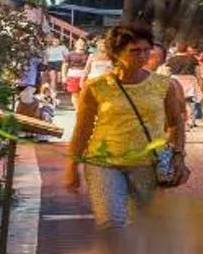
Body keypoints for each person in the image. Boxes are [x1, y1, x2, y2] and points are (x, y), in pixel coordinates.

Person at [66, 25, 185, 238]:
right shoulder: (96, 86)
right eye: (135, 51)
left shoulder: (163, 85)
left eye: (146, 50)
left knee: (145, 224)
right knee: (111, 222)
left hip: (147, 164)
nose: (143, 56)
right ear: (116, 53)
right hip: (103, 163)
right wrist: (72, 165)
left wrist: (178, 155)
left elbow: (176, 123)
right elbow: (82, 128)